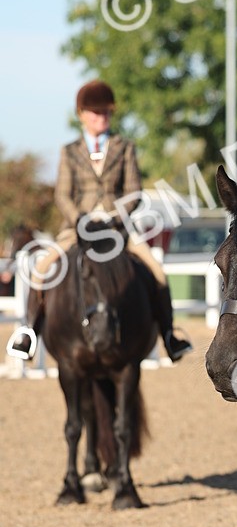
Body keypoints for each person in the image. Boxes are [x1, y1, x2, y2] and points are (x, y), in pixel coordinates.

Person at [6, 80, 192, 363]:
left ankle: (169, 335)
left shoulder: (124, 147)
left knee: (156, 271)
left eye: (106, 112)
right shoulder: (70, 151)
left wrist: (114, 216)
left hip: (117, 229)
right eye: (95, 113)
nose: (101, 117)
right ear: (82, 114)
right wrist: (79, 219)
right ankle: (28, 331)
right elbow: (62, 195)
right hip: (77, 229)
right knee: (41, 269)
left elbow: (134, 191)